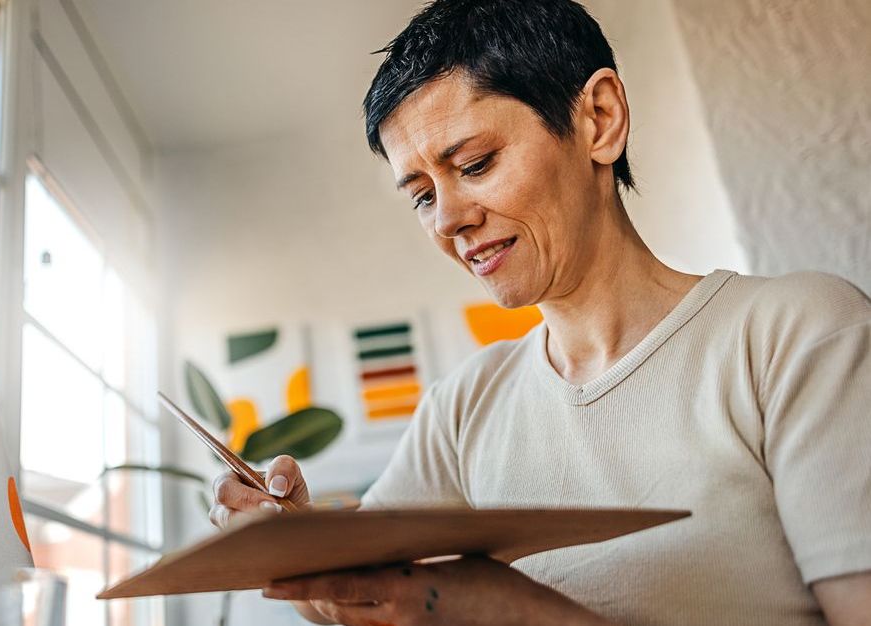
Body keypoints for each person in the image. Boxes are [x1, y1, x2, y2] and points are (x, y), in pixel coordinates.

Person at [208, 1, 871, 624]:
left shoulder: (798, 334)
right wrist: (288, 541)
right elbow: (363, 596)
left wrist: (514, 611)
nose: (448, 219)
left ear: (599, 120)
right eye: (419, 196)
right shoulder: (464, 407)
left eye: (475, 163)